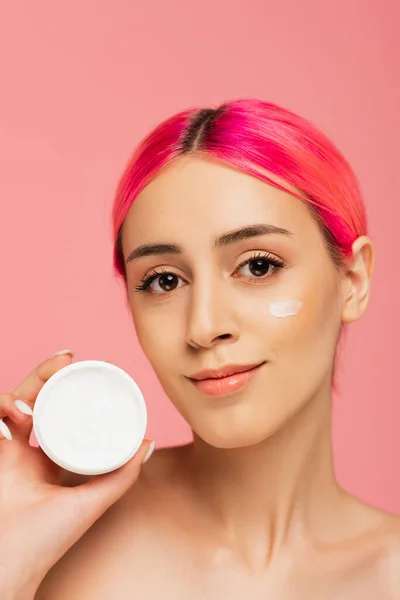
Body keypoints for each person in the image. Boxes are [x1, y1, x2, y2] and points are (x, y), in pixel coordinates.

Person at [1, 98, 399, 599]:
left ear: (354, 280)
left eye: (258, 266)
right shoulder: (53, 541)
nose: (204, 326)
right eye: (165, 280)